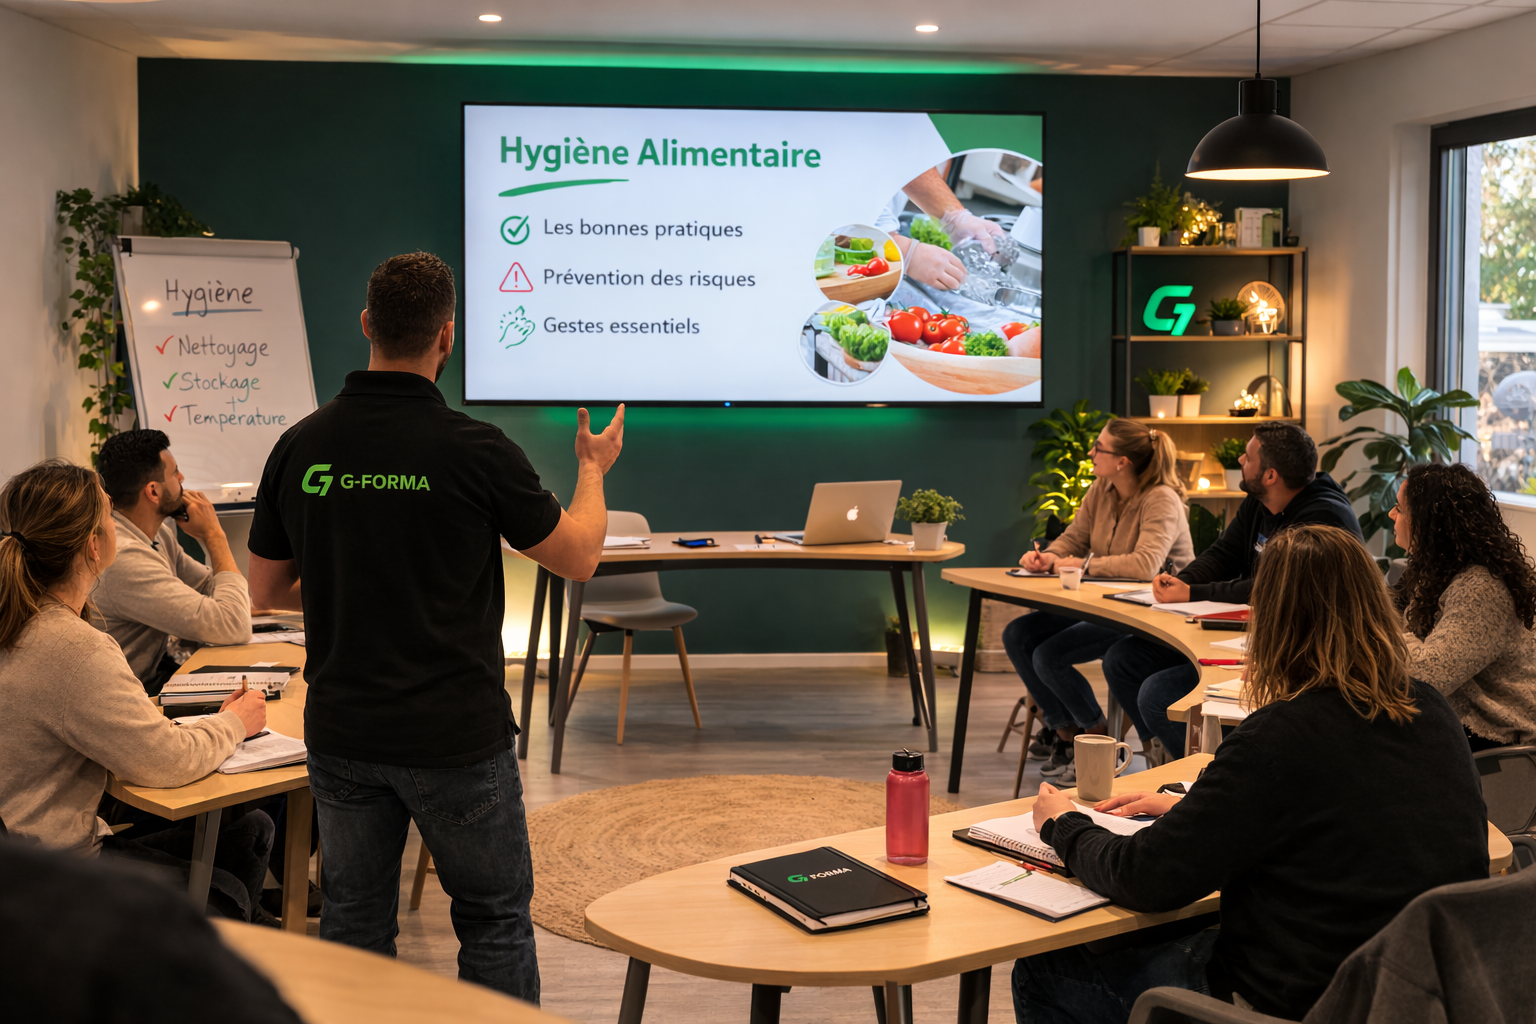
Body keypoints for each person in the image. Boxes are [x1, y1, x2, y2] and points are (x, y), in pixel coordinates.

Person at [245, 251, 623, 1004]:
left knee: (353, 921)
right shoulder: (475, 449)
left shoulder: (302, 445)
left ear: (365, 326)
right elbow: (578, 558)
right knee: (491, 919)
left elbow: (267, 590)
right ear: (446, 337)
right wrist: (592, 469)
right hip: (457, 738)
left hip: (345, 734)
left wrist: (359, 584)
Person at [1013, 524, 1489, 1023]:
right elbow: (1348, 814)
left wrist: (1062, 824)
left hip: (1294, 1001)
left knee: (1043, 970)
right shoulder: (1431, 709)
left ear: (1272, 619)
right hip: (1420, 996)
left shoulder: (1281, 735)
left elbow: (1143, 878)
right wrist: (1195, 807)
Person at [0, 460, 273, 919]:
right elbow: (167, 761)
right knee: (226, 892)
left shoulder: (24, 619)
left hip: (26, 851)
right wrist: (235, 723)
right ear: (93, 545)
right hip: (52, 872)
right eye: (109, 516)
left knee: (250, 833)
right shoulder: (74, 647)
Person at [1100, 422, 1361, 759]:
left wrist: (1192, 594)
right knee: (1124, 659)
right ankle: (1161, 754)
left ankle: (1214, 773)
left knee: (1156, 692)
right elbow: (1224, 553)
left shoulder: (1324, 517)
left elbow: (1271, 588)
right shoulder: (1261, 499)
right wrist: (1183, 582)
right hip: (1249, 632)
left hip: (1299, 651)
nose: (1239, 458)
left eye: (1248, 456)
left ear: (1269, 475)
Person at [1006, 419, 1195, 783]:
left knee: (1049, 655)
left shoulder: (1162, 499)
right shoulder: (1101, 489)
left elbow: (1144, 565)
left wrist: (1081, 564)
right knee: (1019, 634)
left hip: (1149, 613)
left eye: (1099, 448)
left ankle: (1095, 741)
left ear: (1122, 461)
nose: (1091, 453)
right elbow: (1073, 539)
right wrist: (1047, 556)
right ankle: (1066, 735)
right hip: (1104, 602)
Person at [92, 429, 252, 694]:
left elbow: (217, 594)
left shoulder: (158, 534)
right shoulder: (124, 557)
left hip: (150, 680)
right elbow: (233, 624)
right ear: (153, 491)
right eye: (175, 472)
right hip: (128, 696)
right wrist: (214, 535)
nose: (182, 478)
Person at [1389, 462, 1536, 750]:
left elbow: (1427, 677)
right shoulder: (1435, 570)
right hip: (1456, 723)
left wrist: (1380, 626)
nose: (1392, 514)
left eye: (1400, 509)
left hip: (1496, 739)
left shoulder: (1481, 589)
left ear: (1427, 523)